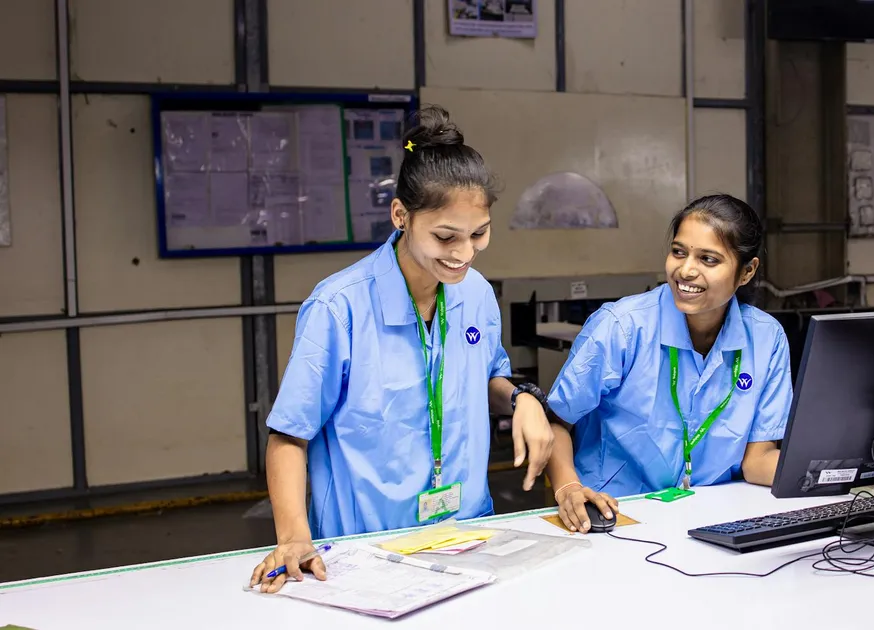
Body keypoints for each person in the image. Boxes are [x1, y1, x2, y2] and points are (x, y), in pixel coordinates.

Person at [249, 105, 555, 592]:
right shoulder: (338, 308)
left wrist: (523, 400)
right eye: (445, 237)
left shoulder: (474, 293)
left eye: (479, 233)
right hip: (365, 549)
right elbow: (290, 435)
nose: (464, 254)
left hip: (466, 537)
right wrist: (293, 537)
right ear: (400, 216)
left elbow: (488, 378)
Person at [544, 194, 793, 532]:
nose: (686, 270)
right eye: (679, 252)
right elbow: (556, 420)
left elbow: (757, 462)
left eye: (708, 259)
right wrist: (568, 487)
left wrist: (851, 474)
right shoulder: (622, 326)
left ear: (747, 271)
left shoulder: (766, 339)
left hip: (713, 518)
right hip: (615, 517)